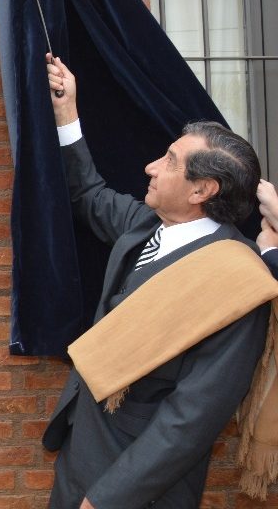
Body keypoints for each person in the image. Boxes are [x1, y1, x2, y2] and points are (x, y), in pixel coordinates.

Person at [42, 53, 274, 508]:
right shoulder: (145, 224)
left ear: (201, 190)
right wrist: (67, 112)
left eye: (169, 160)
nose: (151, 166)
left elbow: (191, 420)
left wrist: (107, 499)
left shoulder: (239, 284)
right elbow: (88, 194)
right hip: (81, 448)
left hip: (138, 486)